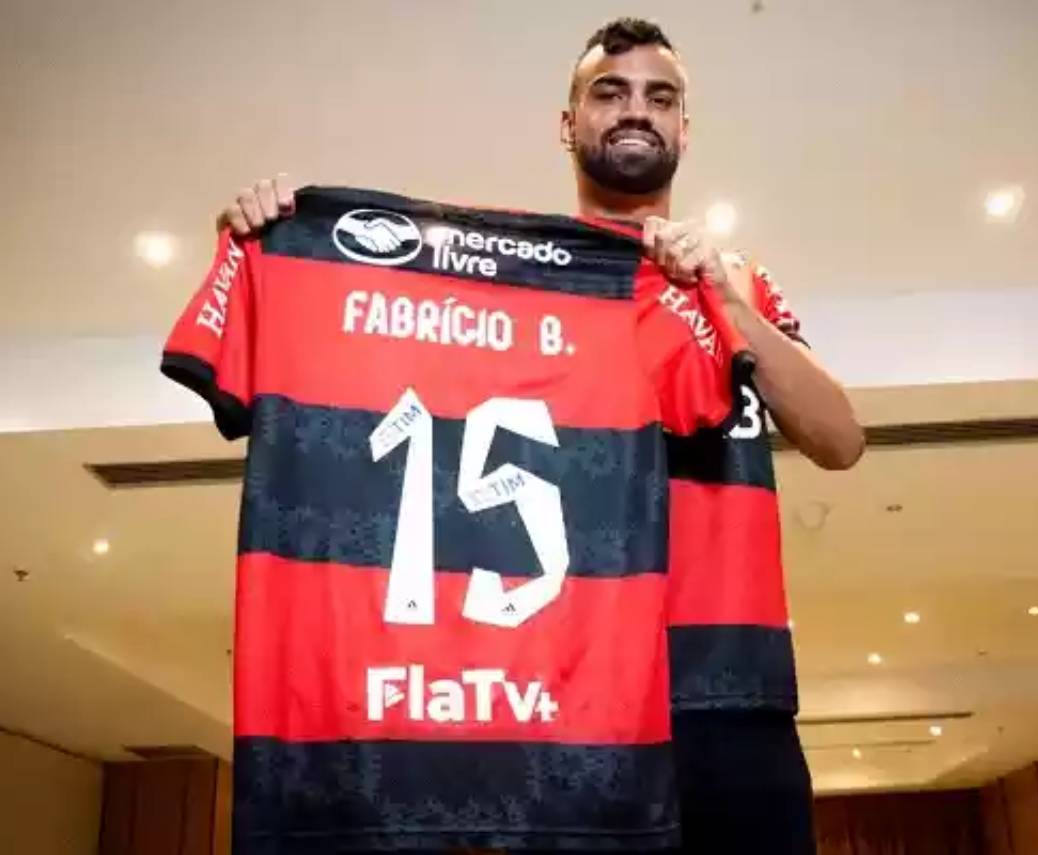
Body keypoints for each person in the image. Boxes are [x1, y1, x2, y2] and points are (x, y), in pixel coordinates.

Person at [216, 17, 864, 854]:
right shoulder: (515, 284)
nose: (636, 111)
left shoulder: (736, 279)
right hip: (569, 695)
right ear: (569, 124)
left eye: (659, 97)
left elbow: (840, 439)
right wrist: (273, 246)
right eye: (609, 92)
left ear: (684, 128)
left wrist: (726, 302)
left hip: (732, 696)